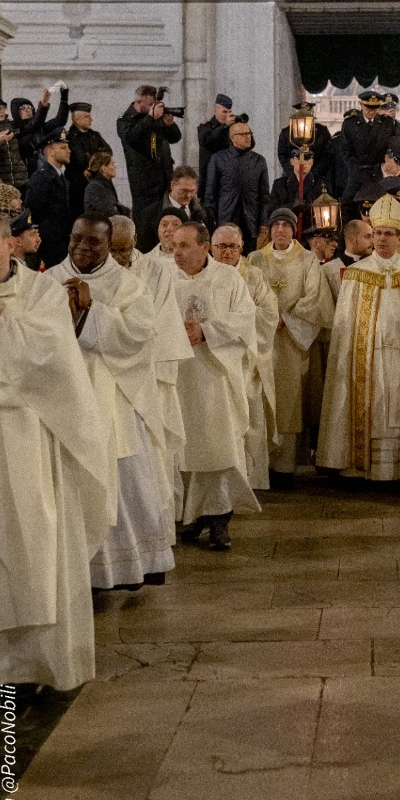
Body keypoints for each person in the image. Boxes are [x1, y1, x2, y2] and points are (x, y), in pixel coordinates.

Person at [0, 209, 108, 692]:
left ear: (9, 244)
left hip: (28, 443)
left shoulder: (41, 293)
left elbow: (55, 360)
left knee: (33, 551)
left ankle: (38, 666)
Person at [47, 216, 173, 592]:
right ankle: (77, 568)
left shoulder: (127, 284)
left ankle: (128, 564)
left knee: (125, 478)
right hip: (63, 396)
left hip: (114, 396)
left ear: (110, 245)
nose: (83, 248)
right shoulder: (48, 280)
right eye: (77, 239)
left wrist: (92, 311)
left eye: (94, 242)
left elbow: (141, 333)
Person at [317, 194, 400, 481]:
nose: (381, 239)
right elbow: (346, 328)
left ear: (399, 238)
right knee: (373, 411)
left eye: (388, 234)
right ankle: (363, 467)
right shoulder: (357, 274)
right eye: (377, 233)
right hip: (367, 358)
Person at [172, 222, 259, 550]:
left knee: (218, 443)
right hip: (179, 376)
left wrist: (206, 331)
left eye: (184, 246)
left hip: (216, 375)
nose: (177, 252)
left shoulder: (227, 279)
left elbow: (245, 320)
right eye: (174, 246)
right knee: (186, 446)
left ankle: (221, 519)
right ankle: (193, 515)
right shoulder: (165, 279)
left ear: (204, 246)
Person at [109, 214, 192, 523]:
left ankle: (161, 520)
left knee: (155, 450)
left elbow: (159, 325)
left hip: (150, 376)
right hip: (111, 380)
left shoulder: (155, 273)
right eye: (112, 250)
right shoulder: (98, 272)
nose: (118, 258)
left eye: (123, 250)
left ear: (134, 243)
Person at [248, 207, 333, 484]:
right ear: (270, 230)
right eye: (276, 225)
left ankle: (284, 469)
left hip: (291, 342)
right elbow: (245, 295)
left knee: (289, 399)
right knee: (260, 398)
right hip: (262, 340)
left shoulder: (308, 260)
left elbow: (315, 299)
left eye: (286, 225)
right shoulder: (256, 259)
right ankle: (260, 465)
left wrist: (287, 318)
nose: (281, 230)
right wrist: (266, 319)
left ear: (293, 230)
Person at [210, 223, 279, 493]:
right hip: (214, 361)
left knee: (249, 417)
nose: (227, 252)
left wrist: (234, 324)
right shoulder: (204, 274)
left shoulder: (253, 275)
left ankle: (253, 480)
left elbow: (269, 312)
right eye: (221, 247)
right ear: (211, 248)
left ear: (241, 248)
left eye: (233, 247)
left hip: (246, 360)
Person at [116, 83, 182, 218]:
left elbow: (175, 138)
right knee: (145, 219)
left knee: (164, 218)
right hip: (144, 182)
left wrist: (170, 125)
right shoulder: (126, 119)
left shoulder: (154, 117)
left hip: (164, 178)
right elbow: (131, 137)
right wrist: (150, 117)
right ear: (139, 102)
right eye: (150, 104)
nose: (154, 106)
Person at [205, 120, 270, 254]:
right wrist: (212, 224)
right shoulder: (218, 159)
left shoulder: (259, 161)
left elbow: (264, 197)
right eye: (243, 134)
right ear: (232, 137)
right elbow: (210, 196)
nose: (248, 137)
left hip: (251, 222)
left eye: (249, 133)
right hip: (225, 219)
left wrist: (263, 223)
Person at [23, 126, 73, 267]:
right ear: (50, 151)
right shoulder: (42, 177)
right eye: (63, 147)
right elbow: (34, 212)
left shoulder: (60, 177)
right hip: (49, 244)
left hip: (61, 242)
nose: (69, 151)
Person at [339, 89, 397, 200]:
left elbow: (391, 147)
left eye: (375, 108)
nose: (372, 112)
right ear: (361, 105)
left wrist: (384, 168)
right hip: (357, 172)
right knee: (349, 201)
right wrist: (356, 169)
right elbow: (345, 150)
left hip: (379, 172)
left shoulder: (387, 123)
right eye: (368, 108)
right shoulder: (350, 123)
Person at [137, 166, 208, 253]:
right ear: (172, 186)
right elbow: (143, 251)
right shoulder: (149, 214)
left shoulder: (204, 212)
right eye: (184, 191)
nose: (188, 195)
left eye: (192, 191)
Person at [65, 101, 112, 219]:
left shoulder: (95, 135)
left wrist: (92, 162)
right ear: (76, 119)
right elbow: (80, 159)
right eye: (87, 116)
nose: (91, 119)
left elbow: (108, 152)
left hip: (100, 183)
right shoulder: (70, 138)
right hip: (79, 185)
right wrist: (98, 158)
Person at [10, 85, 70, 177]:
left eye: (29, 107)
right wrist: (43, 104)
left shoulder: (40, 127)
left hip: (42, 168)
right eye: (23, 108)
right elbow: (33, 124)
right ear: (16, 112)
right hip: (24, 173)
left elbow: (60, 120)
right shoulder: (14, 128)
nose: (27, 110)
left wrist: (64, 98)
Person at [266, 147, 331, 230]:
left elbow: (328, 214)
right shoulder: (280, 185)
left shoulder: (322, 185)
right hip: (288, 233)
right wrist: (292, 206)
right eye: (299, 158)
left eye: (307, 158)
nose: (303, 162)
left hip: (312, 234)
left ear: (312, 161)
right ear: (292, 161)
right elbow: (271, 213)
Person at [276, 102, 334, 182]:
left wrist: (314, 174)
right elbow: (283, 155)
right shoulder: (287, 132)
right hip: (293, 178)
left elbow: (328, 155)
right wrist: (294, 173)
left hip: (317, 178)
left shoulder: (322, 132)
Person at [322, 217, 374, 305]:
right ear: (351, 239)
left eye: (373, 236)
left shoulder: (376, 268)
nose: (372, 241)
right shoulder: (328, 270)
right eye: (367, 237)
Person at [197, 93, 235, 199]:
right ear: (215, 110)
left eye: (230, 112)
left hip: (227, 182)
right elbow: (208, 141)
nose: (227, 115)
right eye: (224, 112)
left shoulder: (231, 129)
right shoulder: (205, 127)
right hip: (210, 183)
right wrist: (224, 127)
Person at [83, 151, 130, 220]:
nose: (115, 166)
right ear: (104, 168)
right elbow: (110, 212)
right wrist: (119, 207)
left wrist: (117, 207)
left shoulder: (105, 186)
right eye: (112, 164)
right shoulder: (94, 187)